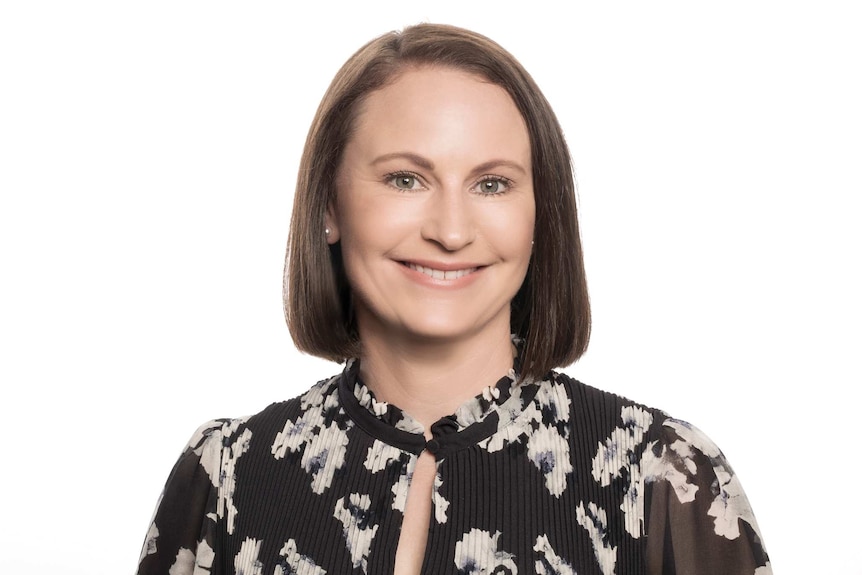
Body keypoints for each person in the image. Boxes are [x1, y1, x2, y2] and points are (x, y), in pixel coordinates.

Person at [137, 24, 771, 575]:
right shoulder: (226, 476)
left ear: (538, 216)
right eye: (405, 179)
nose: (450, 229)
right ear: (330, 204)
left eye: (491, 184)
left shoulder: (663, 479)